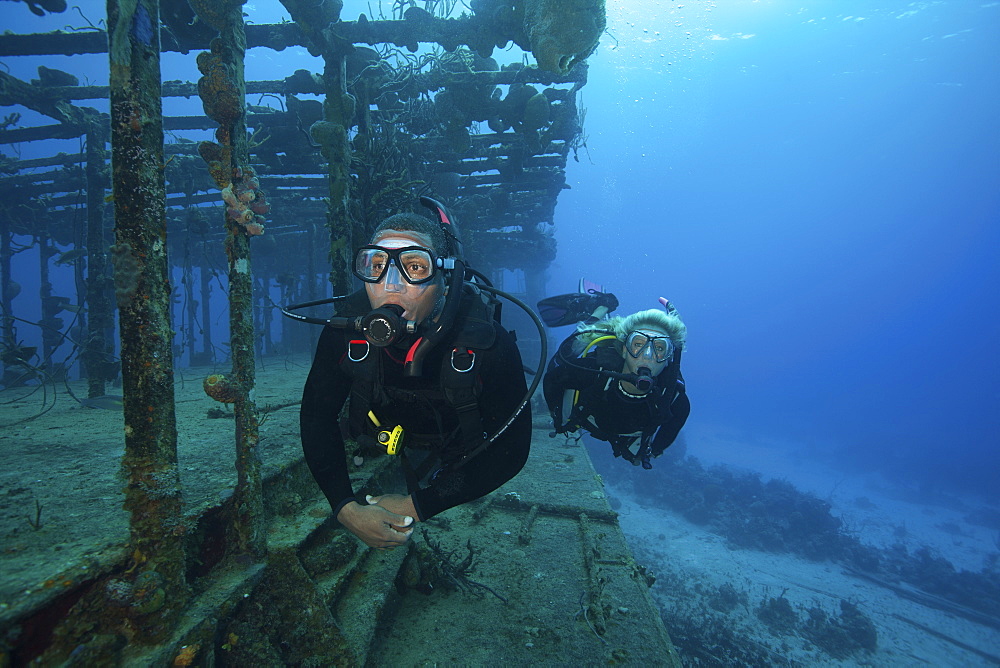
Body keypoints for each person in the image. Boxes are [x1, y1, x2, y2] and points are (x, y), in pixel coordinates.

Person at [297, 201, 532, 549]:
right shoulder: (345, 333)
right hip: (383, 436)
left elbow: (512, 449)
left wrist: (418, 506)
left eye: (414, 267)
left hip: (454, 447)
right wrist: (344, 508)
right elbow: (317, 416)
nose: (390, 285)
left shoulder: (486, 344)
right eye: (376, 265)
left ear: (445, 280)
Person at [541, 282, 690, 469]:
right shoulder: (593, 371)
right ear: (624, 349)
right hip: (587, 419)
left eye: (659, 348)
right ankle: (597, 314)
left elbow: (672, 426)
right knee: (565, 357)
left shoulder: (673, 397)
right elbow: (553, 378)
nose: (648, 355)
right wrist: (559, 419)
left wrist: (655, 449)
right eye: (638, 344)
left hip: (627, 436)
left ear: (669, 357)